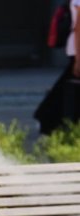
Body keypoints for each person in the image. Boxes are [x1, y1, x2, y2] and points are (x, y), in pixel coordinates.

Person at [35, 0, 80, 135]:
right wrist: (78, 58)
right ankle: (48, 119)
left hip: (76, 51)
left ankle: (48, 119)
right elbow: (78, 28)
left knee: (66, 90)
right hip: (77, 51)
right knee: (67, 91)